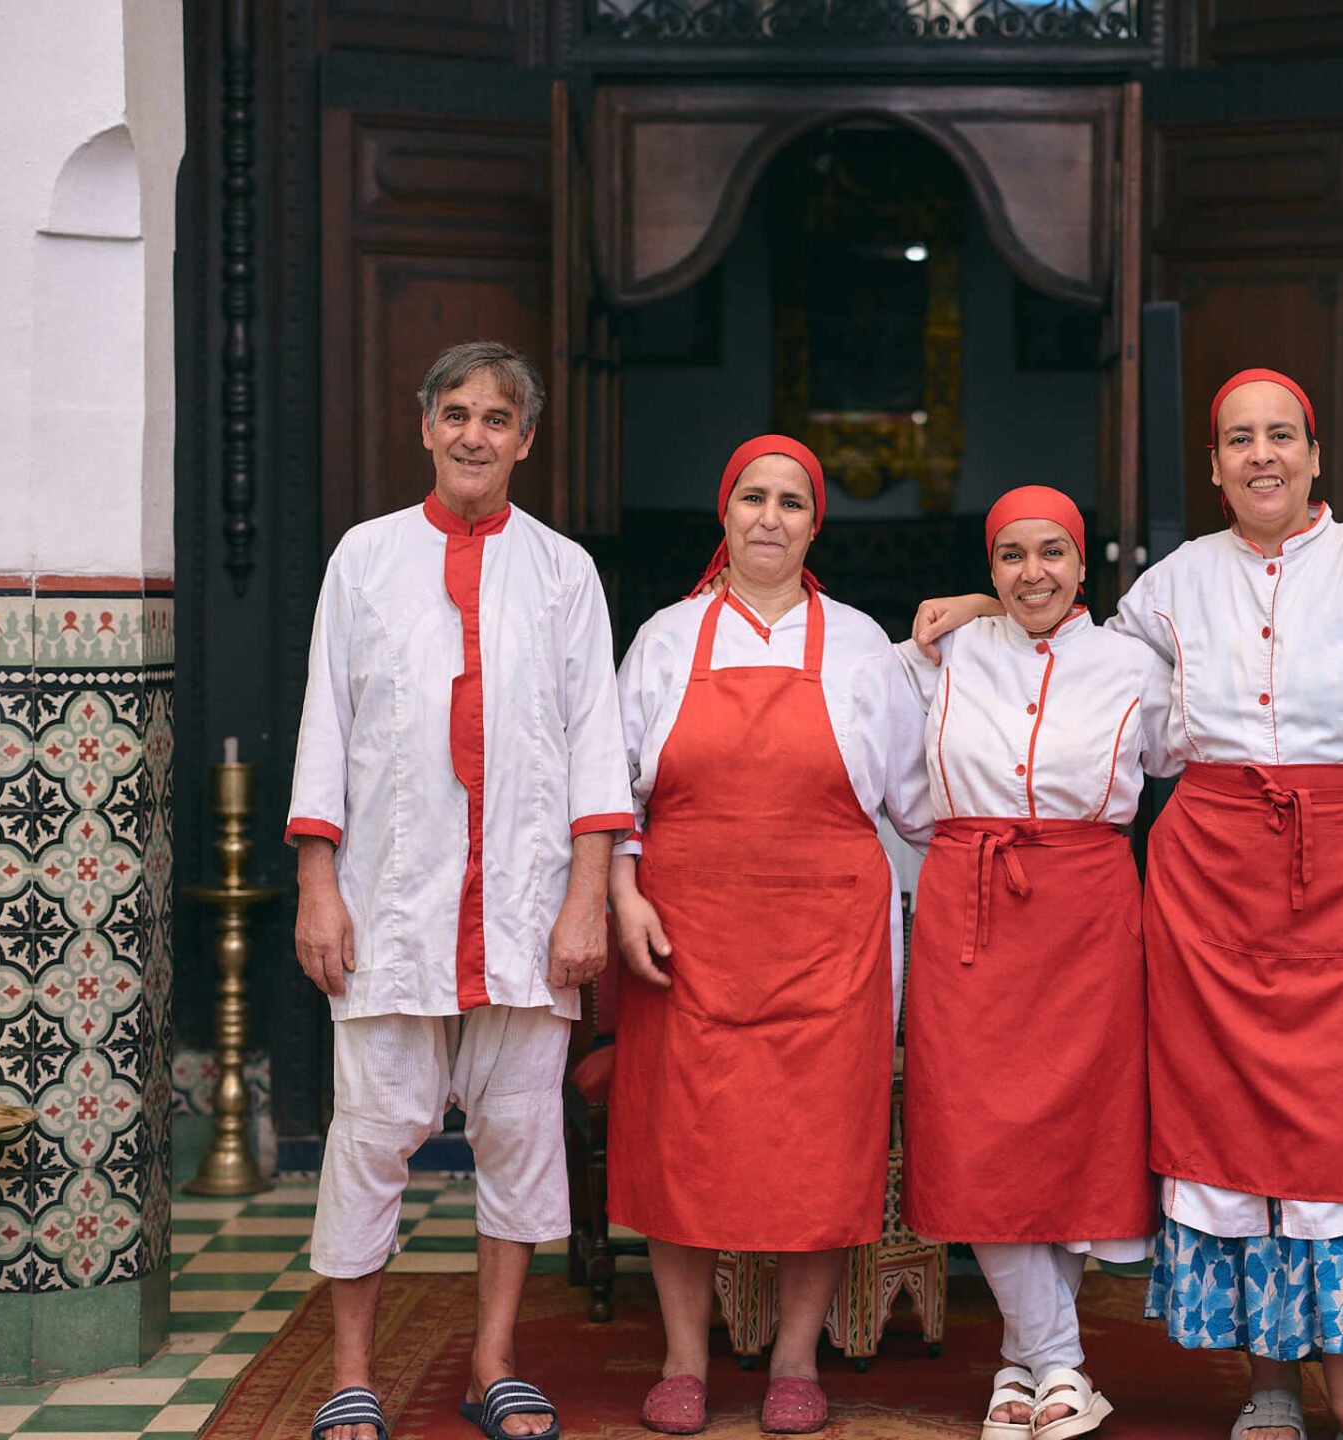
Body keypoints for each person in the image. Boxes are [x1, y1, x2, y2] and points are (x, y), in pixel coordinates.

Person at [914, 334, 1343, 1440]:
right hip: (1207, 882)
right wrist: (982, 604)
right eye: (1239, 439)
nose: (1262, 455)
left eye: (1281, 437)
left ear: (1315, 454)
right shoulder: (1170, 586)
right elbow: (1072, 656)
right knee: (1230, 1135)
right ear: (1214, 465)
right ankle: (1267, 1386)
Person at [287, 342, 633, 1440]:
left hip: (528, 910)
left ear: (526, 439)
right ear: (425, 425)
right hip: (388, 905)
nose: (474, 434)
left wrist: (586, 898)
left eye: (496, 418)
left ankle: (494, 1364)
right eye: (456, 413)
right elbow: (326, 725)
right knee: (368, 1139)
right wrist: (317, 884)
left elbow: (596, 744)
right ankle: (352, 1374)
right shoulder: (364, 557)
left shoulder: (565, 571)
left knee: (521, 1140)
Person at [606, 435, 931, 1436]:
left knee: (817, 1145)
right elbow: (614, 795)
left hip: (828, 939)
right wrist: (623, 894)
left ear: (814, 525)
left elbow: (918, 803)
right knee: (682, 1142)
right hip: (685, 935)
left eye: (792, 502)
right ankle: (683, 1359)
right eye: (753, 497)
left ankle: (795, 1359)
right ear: (725, 511)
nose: (770, 518)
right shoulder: (667, 638)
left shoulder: (863, 646)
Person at [891, 485, 1172, 1440]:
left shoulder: (1137, 666)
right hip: (968, 909)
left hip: (1091, 918)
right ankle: (1059, 1362)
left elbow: (1206, 755)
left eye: (1052, 552)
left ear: (1083, 563)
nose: (1032, 572)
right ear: (990, 567)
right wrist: (973, 610)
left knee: (1070, 1132)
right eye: (1010, 556)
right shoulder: (945, 654)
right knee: (979, 1130)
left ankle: (1026, 1365)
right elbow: (870, 738)